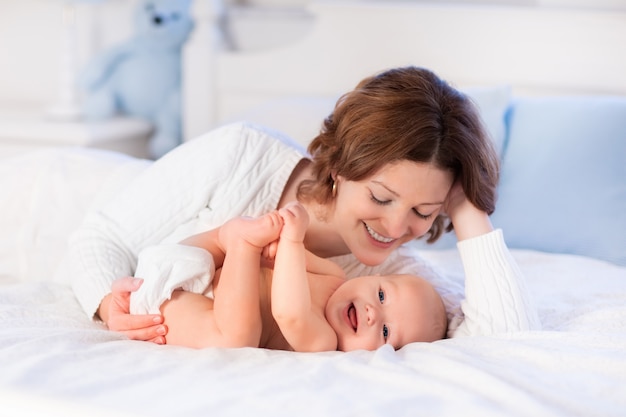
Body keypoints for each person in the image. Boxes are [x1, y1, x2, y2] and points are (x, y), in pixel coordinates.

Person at [69, 66, 540, 344]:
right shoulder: (239, 156)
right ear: (338, 166)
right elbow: (100, 237)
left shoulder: (397, 281)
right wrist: (109, 304)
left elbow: (509, 341)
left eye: (423, 211)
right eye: (381, 196)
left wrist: (467, 205)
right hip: (73, 197)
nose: (396, 226)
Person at [128, 201, 447, 351]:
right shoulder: (334, 274)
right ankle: (231, 237)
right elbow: (281, 255)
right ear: (373, 278)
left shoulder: (323, 341)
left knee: (236, 341)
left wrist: (293, 242)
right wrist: (278, 245)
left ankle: (239, 242)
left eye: (387, 332)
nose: (371, 314)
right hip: (191, 264)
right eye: (380, 296)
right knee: (225, 254)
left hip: (181, 308)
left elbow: (289, 313)